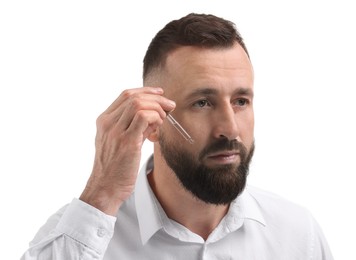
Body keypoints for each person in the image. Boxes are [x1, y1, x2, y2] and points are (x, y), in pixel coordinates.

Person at [21, 13, 333, 259]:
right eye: (202, 103)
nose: (230, 128)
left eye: (240, 101)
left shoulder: (297, 235)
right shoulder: (83, 237)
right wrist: (101, 194)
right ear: (152, 122)